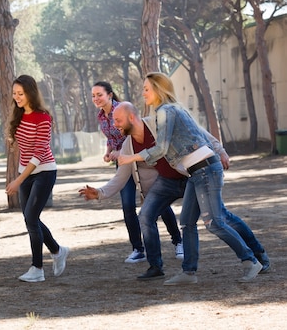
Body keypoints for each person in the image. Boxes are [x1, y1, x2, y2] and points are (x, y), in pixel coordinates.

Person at [118, 72, 270, 285]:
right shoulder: (174, 109)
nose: (142, 93)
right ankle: (189, 273)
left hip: (205, 170)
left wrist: (130, 158)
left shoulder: (165, 111)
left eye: (146, 89)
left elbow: (161, 148)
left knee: (214, 223)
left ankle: (251, 260)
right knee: (187, 222)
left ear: (159, 90)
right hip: (197, 172)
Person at [81, 102, 219, 280]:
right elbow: (120, 177)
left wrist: (220, 151)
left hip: (189, 176)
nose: (114, 125)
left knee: (218, 218)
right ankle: (155, 266)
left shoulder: (156, 124)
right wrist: (99, 193)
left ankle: (256, 255)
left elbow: (199, 132)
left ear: (131, 117)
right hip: (167, 182)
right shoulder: (128, 146)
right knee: (145, 216)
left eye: (118, 120)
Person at [92, 81, 183, 263]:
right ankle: (138, 249)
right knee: (127, 205)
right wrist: (109, 152)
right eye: (93, 96)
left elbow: (134, 134)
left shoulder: (123, 110)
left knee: (159, 203)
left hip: (142, 162)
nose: (96, 99)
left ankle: (178, 241)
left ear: (110, 95)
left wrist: (123, 152)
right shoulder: (101, 117)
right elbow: (111, 138)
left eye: (99, 95)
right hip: (124, 163)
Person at [6, 74, 69, 283]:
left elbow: (39, 153)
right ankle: (58, 251)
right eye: (15, 93)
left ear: (30, 93)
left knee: (31, 218)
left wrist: (18, 180)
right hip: (26, 172)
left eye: (20, 93)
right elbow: (23, 151)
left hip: (44, 171)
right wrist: (21, 175)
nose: (17, 97)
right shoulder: (19, 115)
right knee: (30, 218)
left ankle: (37, 268)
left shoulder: (43, 117)